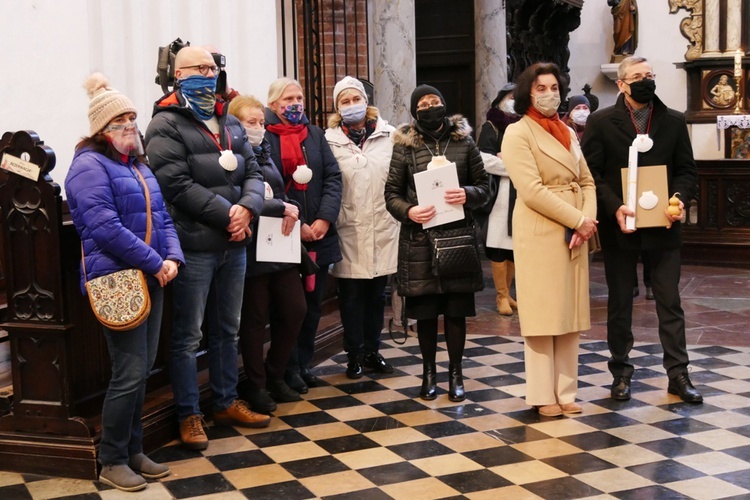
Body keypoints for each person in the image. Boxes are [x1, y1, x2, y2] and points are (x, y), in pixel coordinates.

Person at [145, 46, 271, 451]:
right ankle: (189, 414)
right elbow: (176, 185)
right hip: (195, 244)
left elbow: (253, 171)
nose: (209, 73)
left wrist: (248, 210)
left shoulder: (229, 120)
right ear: (178, 75)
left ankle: (224, 400)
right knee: (186, 336)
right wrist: (228, 215)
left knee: (227, 329)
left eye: (213, 67)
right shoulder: (165, 124)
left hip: (233, 244)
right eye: (200, 68)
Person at [65, 73, 184, 491]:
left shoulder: (137, 165)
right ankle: (111, 458)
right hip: (116, 279)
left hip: (151, 274)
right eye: (121, 121)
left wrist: (171, 258)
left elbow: (163, 217)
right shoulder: (87, 166)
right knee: (129, 371)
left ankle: (133, 450)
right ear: (101, 129)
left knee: (144, 368)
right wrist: (155, 263)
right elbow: (105, 228)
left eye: (132, 119)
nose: (129, 127)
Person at [581, 55, 702, 403]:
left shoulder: (674, 121)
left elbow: (687, 170)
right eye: (637, 76)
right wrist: (614, 206)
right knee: (620, 302)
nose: (645, 80)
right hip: (622, 226)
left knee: (670, 302)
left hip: (663, 227)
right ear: (621, 84)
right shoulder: (602, 122)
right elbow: (592, 174)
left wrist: (678, 199)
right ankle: (620, 372)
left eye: (649, 75)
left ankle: (678, 373)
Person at [501, 63, 598, 417]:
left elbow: (586, 180)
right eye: (541, 88)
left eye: (554, 87)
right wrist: (577, 219)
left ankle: (567, 390)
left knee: (569, 312)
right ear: (528, 93)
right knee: (543, 313)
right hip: (542, 228)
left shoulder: (568, 132)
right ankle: (543, 394)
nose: (549, 94)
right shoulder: (518, 133)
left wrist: (587, 220)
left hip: (576, 229)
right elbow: (531, 191)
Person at [385, 84, 490, 402]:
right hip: (420, 241)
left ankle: (455, 374)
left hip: (457, 238)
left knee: (456, 312)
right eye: (423, 103)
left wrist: (468, 194)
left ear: (445, 105)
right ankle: (428, 372)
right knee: (427, 313)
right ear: (415, 111)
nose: (430, 106)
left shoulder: (464, 140)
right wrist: (410, 211)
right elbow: (391, 195)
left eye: (436, 101)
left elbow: (485, 186)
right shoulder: (404, 146)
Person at [228, 95, 307, 413]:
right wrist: (279, 206)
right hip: (250, 245)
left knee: (295, 309)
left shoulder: (265, 153)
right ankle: (256, 383)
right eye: (251, 123)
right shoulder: (231, 157)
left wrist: (292, 207)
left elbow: (279, 190)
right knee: (254, 319)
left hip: (279, 243)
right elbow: (238, 195)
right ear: (235, 124)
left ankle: (276, 373)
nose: (259, 128)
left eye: (261, 122)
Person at [264, 77, 342, 393]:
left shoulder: (315, 134)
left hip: (319, 235)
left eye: (299, 98)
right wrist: (300, 224)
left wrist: (323, 219)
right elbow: (271, 186)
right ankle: (286, 367)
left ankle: (303, 363)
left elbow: (333, 178)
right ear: (273, 105)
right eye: (288, 99)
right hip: (285, 234)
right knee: (287, 309)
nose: (296, 104)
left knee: (312, 306)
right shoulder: (264, 138)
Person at [325, 76, 399, 379]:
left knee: (376, 295)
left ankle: (372, 350)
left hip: (382, 225)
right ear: (337, 107)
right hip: (349, 227)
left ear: (366, 101)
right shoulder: (327, 140)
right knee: (351, 295)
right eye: (345, 101)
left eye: (356, 99)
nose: (352, 105)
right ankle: (353, 354)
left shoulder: (390, 135)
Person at [477, 83, 521, 316]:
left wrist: (510, 160)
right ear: (501, 98)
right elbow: (485, 159)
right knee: (498, 246)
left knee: (513, 247)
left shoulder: (525, 125)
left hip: (522, 193)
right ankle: (501, 296)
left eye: (517, 96)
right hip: (500, 194)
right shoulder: (491, 125)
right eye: (510, 96)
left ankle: (509, 293)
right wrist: (516, 165)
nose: (513, 100)